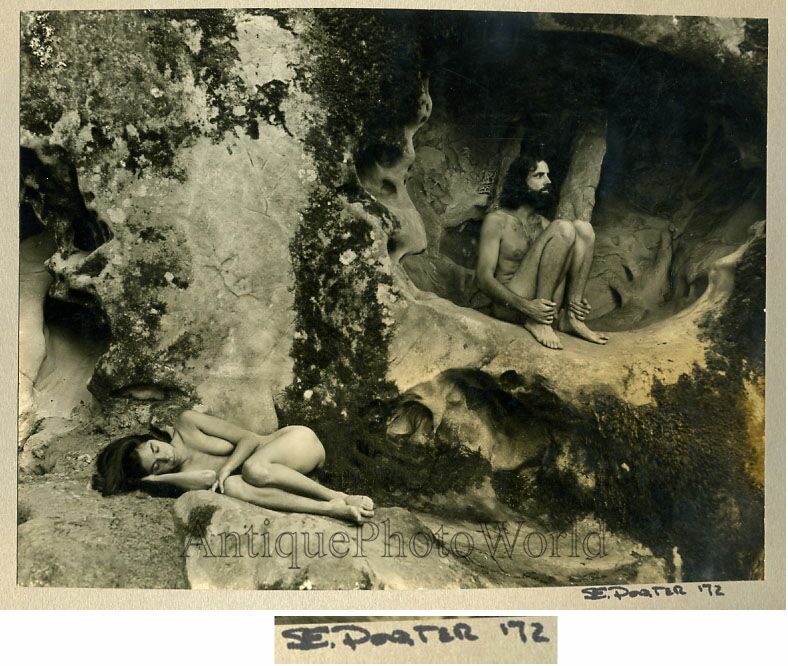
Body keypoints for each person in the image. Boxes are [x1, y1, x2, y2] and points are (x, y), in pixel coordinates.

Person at [92, 410, 375, 524]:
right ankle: (330, 509)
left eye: (156, 449)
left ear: (151, 438)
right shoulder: (179, 477)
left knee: (249, 470)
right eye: (157, 467)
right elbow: (208, 478)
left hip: (296, 443)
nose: (166, 457)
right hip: (275, 475)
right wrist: (151, 482)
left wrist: (228, 466)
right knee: (231, 487)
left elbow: (248, 438)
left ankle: (338, 495)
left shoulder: (187, 423)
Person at [476, 153, 609, 350]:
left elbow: (557, 273)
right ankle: (538, 321)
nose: (548, 181)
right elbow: (483, 279)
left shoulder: (545, 226)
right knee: (563, 227)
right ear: (520, 181)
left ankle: (572, 317)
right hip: (512, 306)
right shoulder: (497, 221)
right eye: (539, 175)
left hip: (544, 308)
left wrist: (575, 301)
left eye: (547, 175)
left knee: (584, 229)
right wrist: (527, 307)